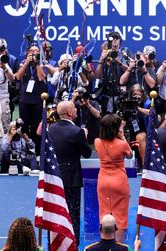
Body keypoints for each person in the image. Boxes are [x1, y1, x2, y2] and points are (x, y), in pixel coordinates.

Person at [48, 101, 92, 246]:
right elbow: (86, 153)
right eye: (74, 108)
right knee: (72, 213)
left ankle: (54, 243)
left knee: (54, 211)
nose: (77, 110)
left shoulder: (51, 129)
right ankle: (73, 244)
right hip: (71, 178)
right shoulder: (77, 131)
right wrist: (84, 137)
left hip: (54, 178)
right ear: (70, 113)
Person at [94, 114, 131, 242]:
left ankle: (105, 243)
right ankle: (118, 246)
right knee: (120, 217)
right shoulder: (122, 144)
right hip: (119, 181)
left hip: (103, 181)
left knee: (104, 213)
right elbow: (130, 155)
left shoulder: (97, 142)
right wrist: (122, 137)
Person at [16, 43, 48, 156]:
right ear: (28, 53)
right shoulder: (23, 63)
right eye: (31, 51)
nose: (34, 53)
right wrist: (26, 63)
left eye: (36, 51)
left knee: (36, 127)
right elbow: (18, 77)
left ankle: (38, 153)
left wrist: (38, 62)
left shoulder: (44, 64)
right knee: (24, 126)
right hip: (25, 100)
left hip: (37, 101)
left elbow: (41, 78)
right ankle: (25, 151)